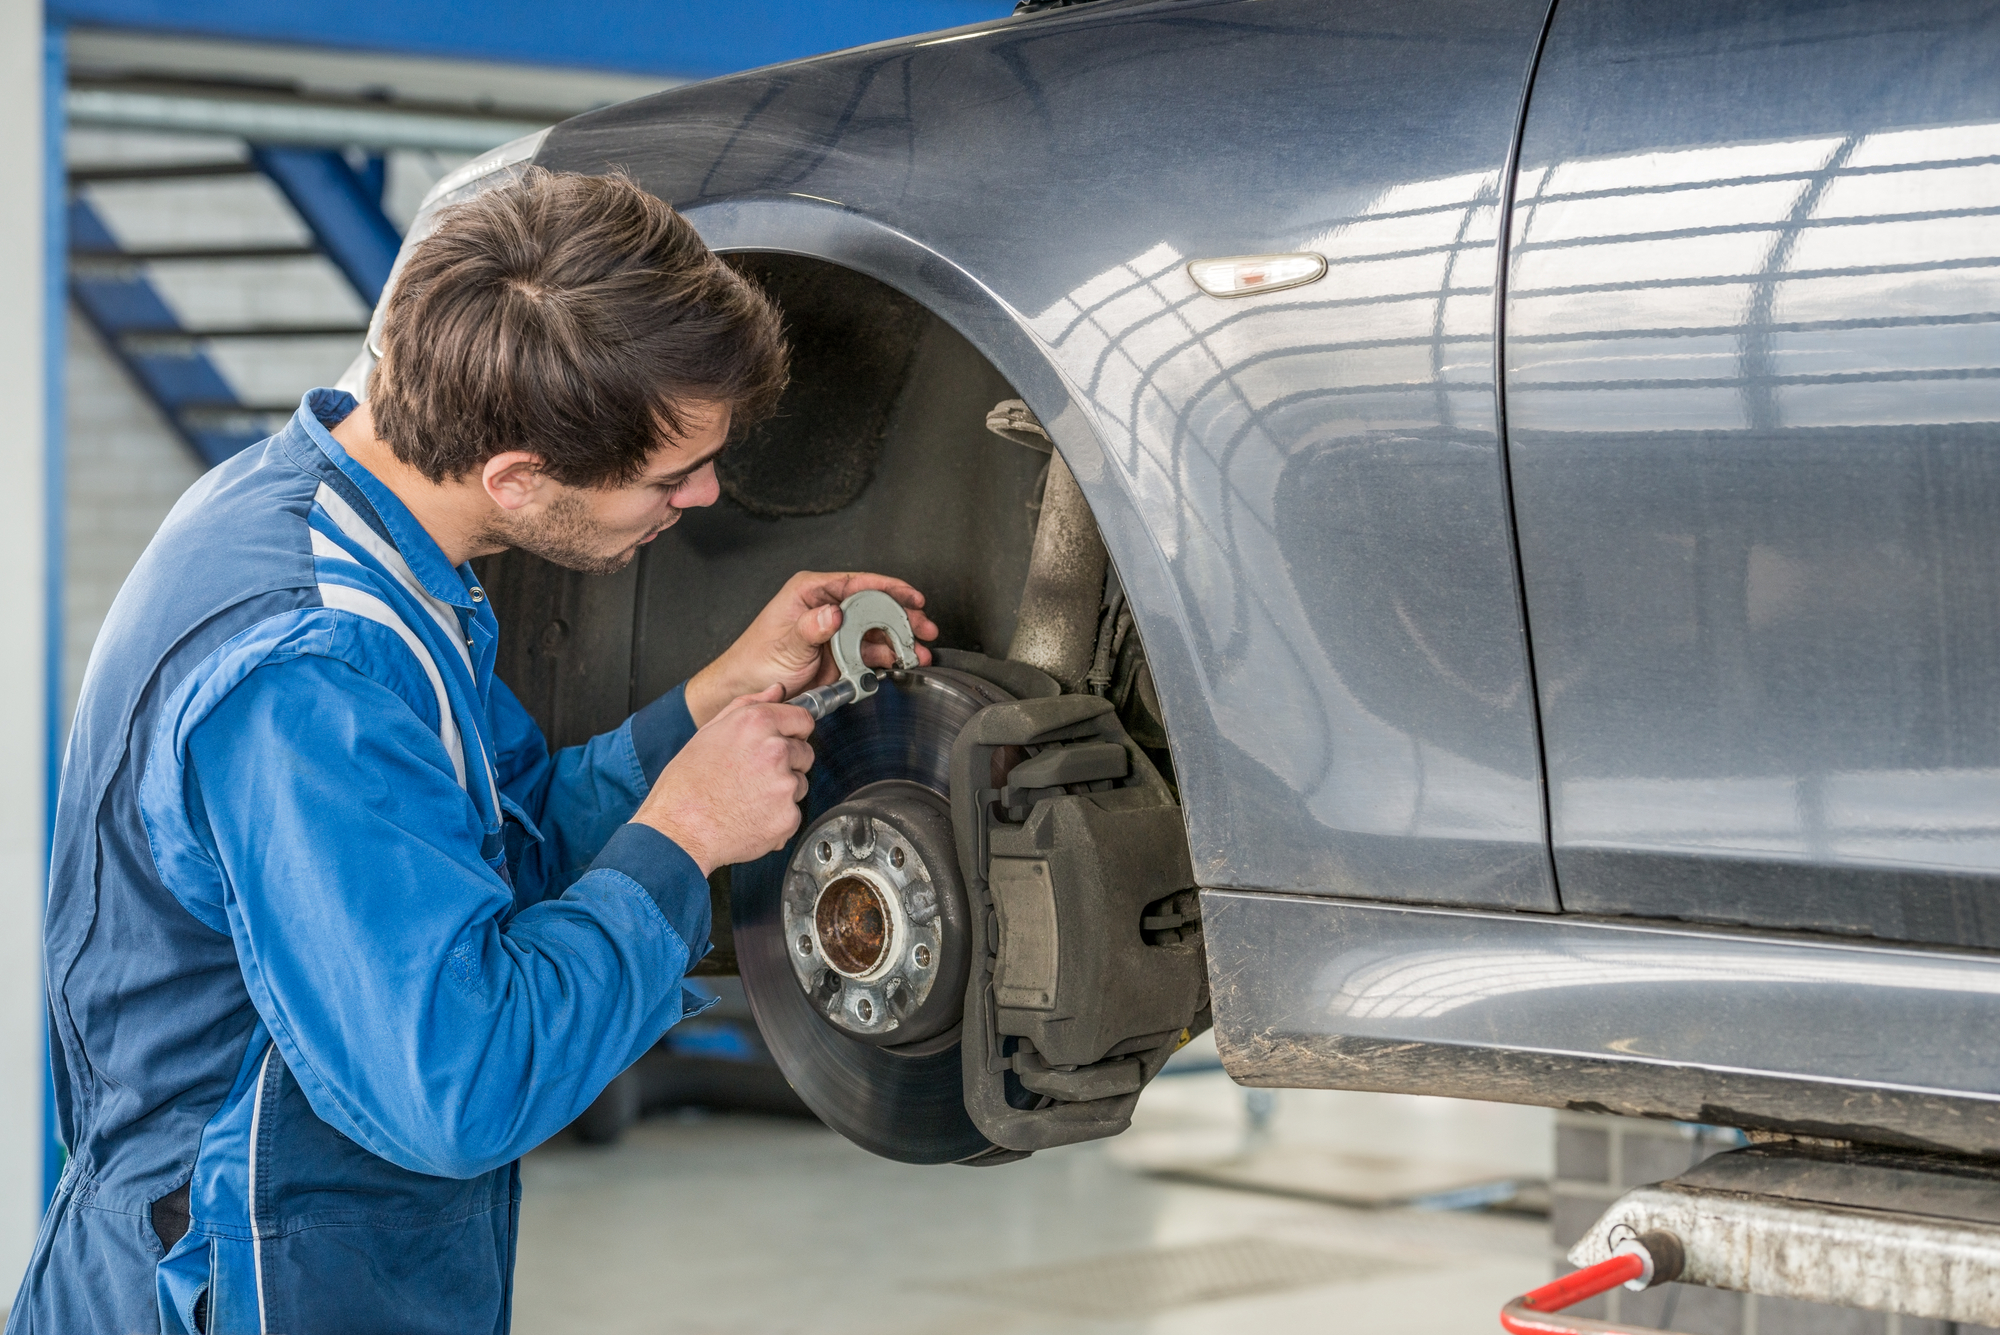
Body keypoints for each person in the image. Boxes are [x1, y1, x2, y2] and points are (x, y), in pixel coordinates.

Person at [7, 169, 937, 1335]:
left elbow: (503, 843)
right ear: (518, 478)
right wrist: (683, 836)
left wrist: (704, 709)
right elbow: (461, 1078)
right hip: (240, 1286)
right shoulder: (311, 675)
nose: (703, 497)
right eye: (669, 476)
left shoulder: (362, 535)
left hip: (333, 1256)